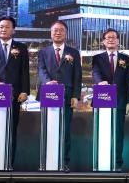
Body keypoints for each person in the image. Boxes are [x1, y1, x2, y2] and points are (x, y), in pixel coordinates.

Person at [0, 16, 30, 168]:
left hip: (14, 95)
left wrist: (25, 91)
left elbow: (24, 71)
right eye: (1, 27)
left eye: (7, 27)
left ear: (13, 30)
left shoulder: (21, 48)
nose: (3, 29)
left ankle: (9, 163)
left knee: (11, 129)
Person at [37, 20, 81, 173]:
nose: (58, 32)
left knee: (65, 129)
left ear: (66, 33)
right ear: (51, 33)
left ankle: (64, 162)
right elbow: (41, 71)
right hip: (48, 93)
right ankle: (46, 161)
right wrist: (48, 83)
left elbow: (77, 75)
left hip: (67, 95)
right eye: (55, 30)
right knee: (48, 128)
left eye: (61, 30)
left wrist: (76, 95)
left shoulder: (73, 52)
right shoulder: (43, 52)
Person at [91, 28, 129, 172]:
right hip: (102, 99)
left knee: (118, 133)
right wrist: (99, 82)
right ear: (103, 41)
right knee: (102, 132)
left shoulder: (125, 59)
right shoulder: (97, 58)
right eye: (108, 38)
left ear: (118, 41)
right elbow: (95, 72)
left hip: (120, 101)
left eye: (114, 37)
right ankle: (101, 161)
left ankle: (117, 163)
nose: (111, 39)